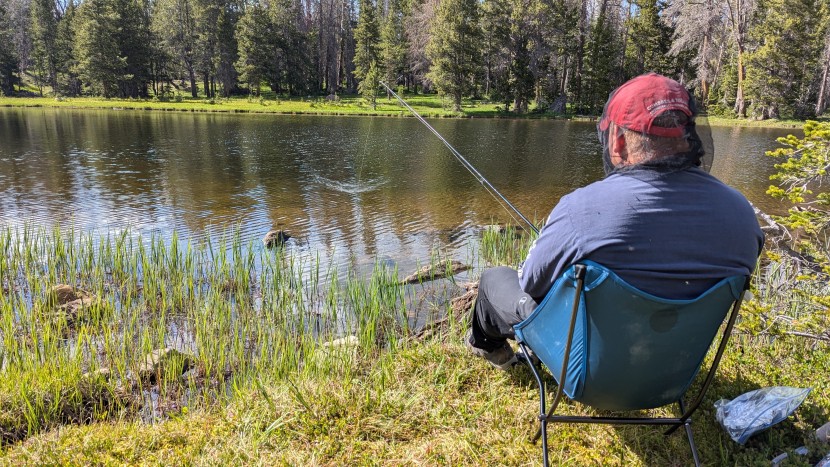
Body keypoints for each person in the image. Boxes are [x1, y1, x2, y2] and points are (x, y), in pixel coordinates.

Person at [466, 73, 765, 370]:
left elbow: (530, 283)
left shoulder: (580, 207)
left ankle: (493, 351)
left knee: (495, 279)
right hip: (672, 373)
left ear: (618, 141)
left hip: (587, 375)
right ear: (689, 139)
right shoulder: (741, 213)